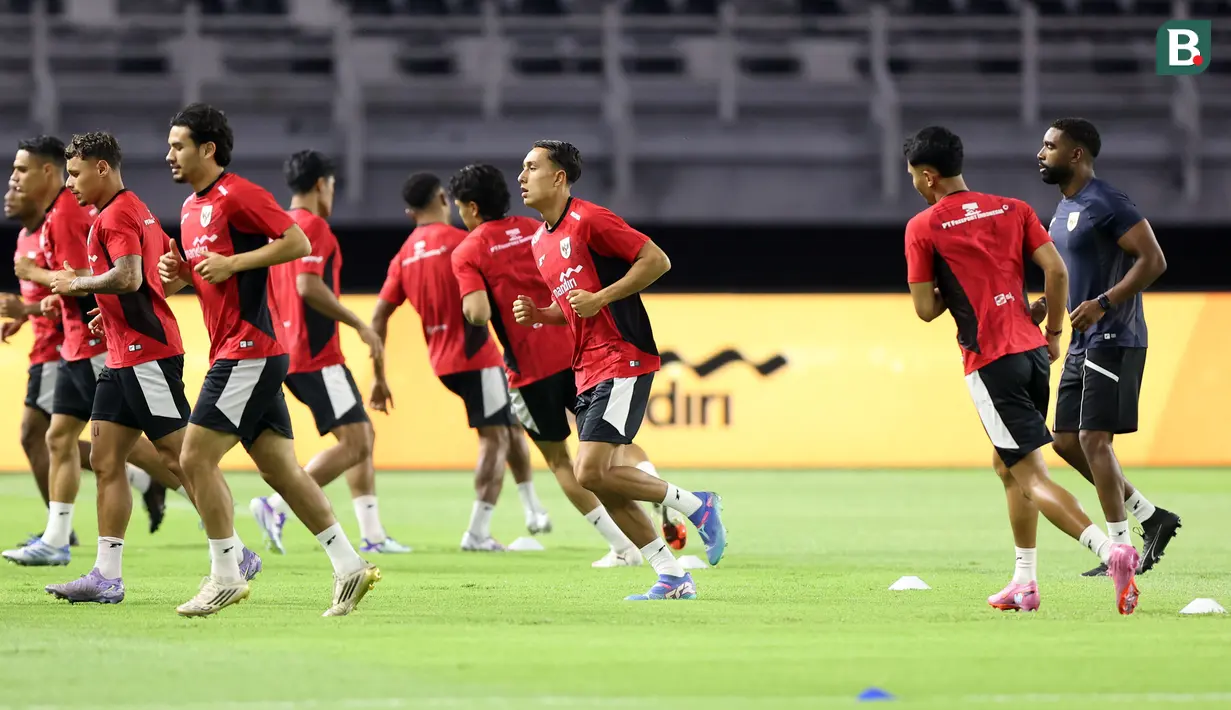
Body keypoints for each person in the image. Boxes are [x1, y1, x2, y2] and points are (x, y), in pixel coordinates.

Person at [902, 125, 1139, 615]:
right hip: (1032, 353)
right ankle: (1025, 582)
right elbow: (1056, 272)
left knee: (1030, 474)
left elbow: (925, 309)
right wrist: (1054, 331)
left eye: (912, 177)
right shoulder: (1014, 209)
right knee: (1007, 467)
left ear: (927, 177)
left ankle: (1111, 551)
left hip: (989, 359)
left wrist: (955, 286)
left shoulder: (923, 227)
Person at [161, 103, 378, 617]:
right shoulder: (192, 209)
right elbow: (216, 277)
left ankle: (226, 574)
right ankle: (349, 565)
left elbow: (296, 241)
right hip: (243, 350)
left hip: (248, 350)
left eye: (178, 145)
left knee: (193, 458)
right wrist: (185, 277)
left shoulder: (239, 194)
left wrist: (233, 260)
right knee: (282, 472)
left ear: (207, 149)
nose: (168, 154)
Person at [40, 132, 254, 602]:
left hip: (146, 355)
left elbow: (130, 276)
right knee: (105, 458)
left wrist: (77, 283)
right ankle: (106, 576)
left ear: (101, 168)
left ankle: (236, 552)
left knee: (183, 458)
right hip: (124, 354)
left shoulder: (116, 214)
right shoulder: (135, 209)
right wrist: (109, 308)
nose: (68, 183)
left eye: (74, 173)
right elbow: (149, 285)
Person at [512, 140, 726, 600]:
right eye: (522, 169)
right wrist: (542, 313)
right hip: (586, 368)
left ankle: (698, 505)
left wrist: (603, 298)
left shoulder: (590, 219)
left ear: (559, 177)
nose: (521, 177)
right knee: (601, 479)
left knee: (589, 472)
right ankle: (671, 576)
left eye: (531, 167)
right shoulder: (539, 242)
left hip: (623, 357)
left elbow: (657, 260)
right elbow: (574, 305)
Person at [448, 163, 687, 568]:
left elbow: (476, 311)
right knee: (613, 444)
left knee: (564, 462)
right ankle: (659, 496)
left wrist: (474, 311)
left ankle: (623, 545)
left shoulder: (468, 250)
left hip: (530, 367)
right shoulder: (536, 229)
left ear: (470, 209)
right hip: (580, 351)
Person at [2, 136, 172, 568]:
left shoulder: (76, 215)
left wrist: (39, 285)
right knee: (64, 440)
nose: (13, 180)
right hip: (81, 342)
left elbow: (89, 278)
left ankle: (210, 516)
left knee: (169, 451)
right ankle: (63, 542)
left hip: (106, 345)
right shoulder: (70, 217)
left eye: (21, 170)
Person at [371, 172, 549, 551]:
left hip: (442, 362)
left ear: (408, 211)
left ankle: (534, 509)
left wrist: (378, 376)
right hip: (478, 356)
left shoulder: (403, 256)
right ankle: (478, 533)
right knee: (496, 437)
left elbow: (378, 317)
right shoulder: (464, 243)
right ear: (441, 197)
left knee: (509, 426)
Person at [1037, 117, 1180, 578]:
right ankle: (1151, 517)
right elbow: (1071, 276)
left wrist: (1104, 302)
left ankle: (1120, 551)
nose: (1041, 153)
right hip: (1082, 341)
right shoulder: (1062, 210)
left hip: (1116, 335)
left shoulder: (1107, 201)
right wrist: (1047, 309)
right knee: (1063, 441)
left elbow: (1153, 259)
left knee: (1094, 439)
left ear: (1076, 154)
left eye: (1050, 146)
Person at [251, 149, 409, 555]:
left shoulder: (277, 230)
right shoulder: (313, 227)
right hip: (317, 355)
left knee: (357, 436)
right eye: (333, 185)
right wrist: (358, 323)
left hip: (284, 352)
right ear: (322, 183)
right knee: (359, 440)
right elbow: (307, 285)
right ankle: (277, 504)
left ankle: (372, 534)